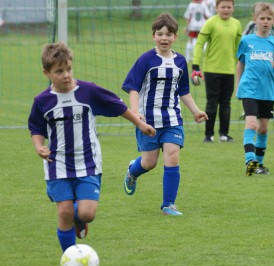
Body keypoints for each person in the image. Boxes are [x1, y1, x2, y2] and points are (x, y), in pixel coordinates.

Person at [28, 42, 156, 252]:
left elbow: (118, 106)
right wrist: (39, 146)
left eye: (68, 69)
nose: (66, 75)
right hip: (57, 164)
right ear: (47, 73)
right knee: (64, 212)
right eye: (59, 71)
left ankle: (79, 220)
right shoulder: (43, 101)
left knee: (87, 213)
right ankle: (69, 257)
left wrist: (140, 124)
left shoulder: (88, 92)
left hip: (87, 162)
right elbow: (36, 127)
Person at [121, 13, 208, 216]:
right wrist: (135, 113)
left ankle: (168, 205)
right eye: (160, 34)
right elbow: (132, 87)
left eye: (168, 34)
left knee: (172, 157)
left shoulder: (180, 62)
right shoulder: (146, 60)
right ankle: (133, 171)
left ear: (175, 37)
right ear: (153, 36)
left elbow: (183, 90)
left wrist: (195, 111)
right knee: (149, 162)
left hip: (172, 119)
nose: (164, 38)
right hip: (148, 121)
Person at [236, 2, 274, 176]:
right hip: (249, 89)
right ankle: (250, 161)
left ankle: (259, 164)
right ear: (255, 19)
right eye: (262, 18)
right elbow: (240, 64)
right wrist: (238, 86)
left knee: (263, 129)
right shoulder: (246, 41)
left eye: (268, 18)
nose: (265, 21)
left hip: (268, 91)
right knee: (251, 123)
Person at [191, 0, 242, 143]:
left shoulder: (236, 24)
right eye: (223, 7)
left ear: (233, 8)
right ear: (216, 8)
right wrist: (195, 65)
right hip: (211, 70)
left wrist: (241, 63)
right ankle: (209, 135)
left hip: (229, 70)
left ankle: (224, 135)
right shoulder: (211, 22)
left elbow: (238, 48)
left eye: (229, 7)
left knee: (226, 103)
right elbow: (199, 43)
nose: (226, 9)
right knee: (212, 102)